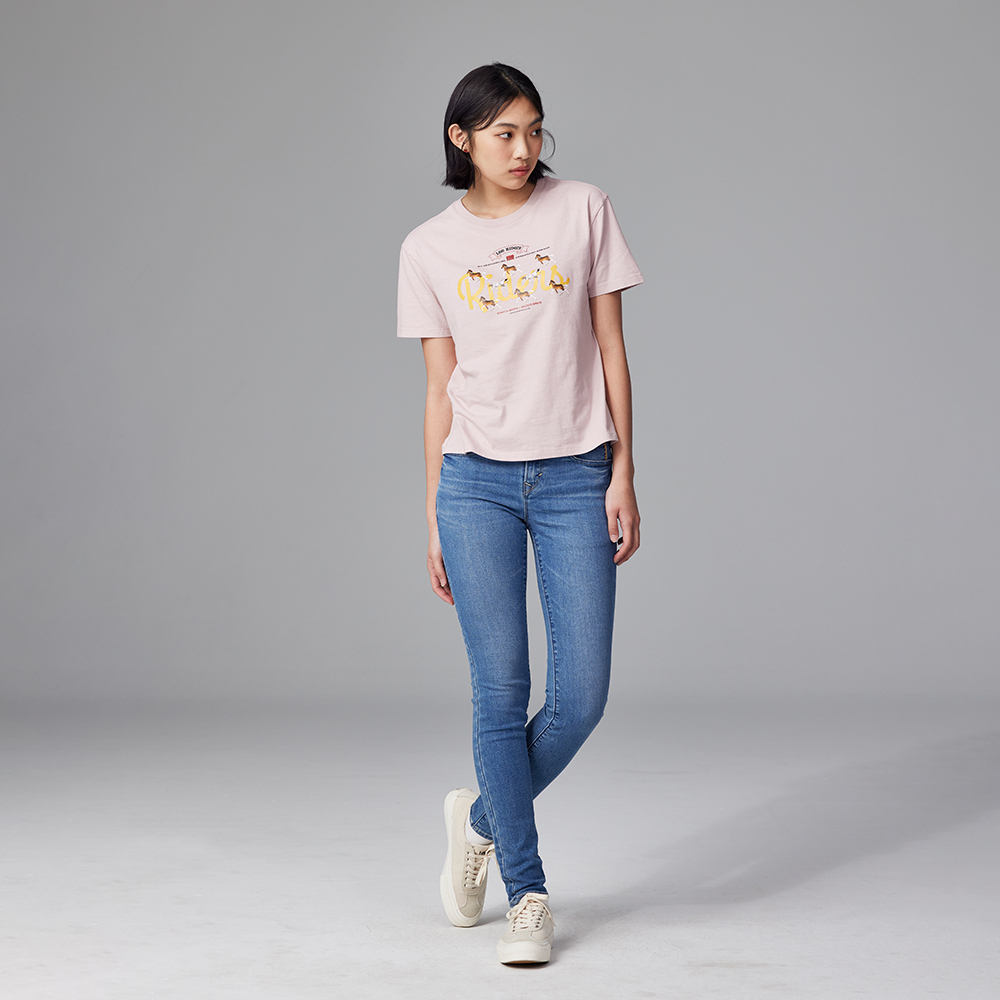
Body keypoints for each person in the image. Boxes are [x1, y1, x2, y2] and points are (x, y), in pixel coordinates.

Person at [396, 62, 643, 965]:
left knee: (580, 697)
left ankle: (482, 819)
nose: (523, 149)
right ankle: (529, 894)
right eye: (504, 133)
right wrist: (433, 513)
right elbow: (438, 389)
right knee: (499, 692)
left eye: (534, 130)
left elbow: (612, 348)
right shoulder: (427, 247)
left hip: (577, 473)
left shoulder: (583, 209)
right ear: (461, 139)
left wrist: (623, 469)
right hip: (475, 485)